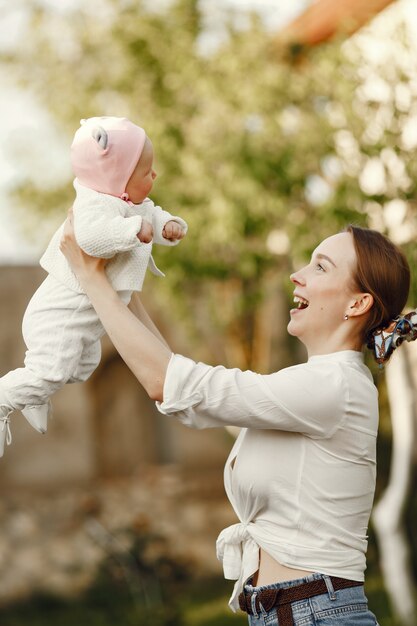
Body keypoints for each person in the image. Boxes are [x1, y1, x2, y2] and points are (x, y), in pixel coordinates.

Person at [59, 221, 412, 625]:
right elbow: (175, 378)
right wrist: (119, 278)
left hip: (314, 613)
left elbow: (169, 383)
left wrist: (90, 278)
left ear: (357, 304)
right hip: (293, 611)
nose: (297, 274)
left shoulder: (335, 386)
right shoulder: (320, 383)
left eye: (320, 267)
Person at [0, 116, 187, 457]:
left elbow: (153, 216)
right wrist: (133, 231)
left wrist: (169, 225)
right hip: (58, 318)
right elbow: (91, 238)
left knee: (84, 366)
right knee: (51, 371)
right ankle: (7, 398)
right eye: (147, 172)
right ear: (118, 178)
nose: (154, 176)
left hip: (82, 324)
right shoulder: (94, 206)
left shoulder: (132, 204)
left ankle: (35, 391)